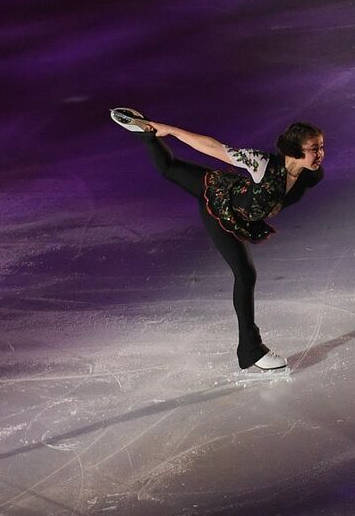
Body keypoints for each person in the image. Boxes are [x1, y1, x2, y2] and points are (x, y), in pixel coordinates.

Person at [109, 107, 326, 370]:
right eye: (315, 148)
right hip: (220, 205)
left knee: (172, 169)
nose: (320, 154)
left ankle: (145, 131)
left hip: (233, 198)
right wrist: (171, 130)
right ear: (295, 149)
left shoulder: (311, 176)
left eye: (321, 147)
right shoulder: (263, 163)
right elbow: (214, 147)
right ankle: (251, 351)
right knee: (245, 274)